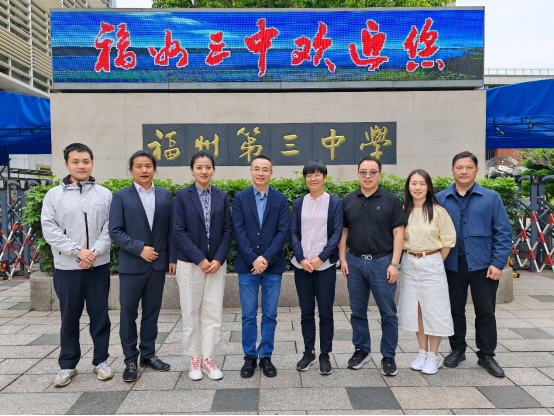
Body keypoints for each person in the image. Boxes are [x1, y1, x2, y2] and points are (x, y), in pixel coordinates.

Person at [41, 143, 113, 388]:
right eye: (75, 161)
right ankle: (68, 364)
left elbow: (111, 228)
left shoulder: (104, 194)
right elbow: (50, 230)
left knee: (100, 315)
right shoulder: (54, 196)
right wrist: (78, 251)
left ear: (92, 163)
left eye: (85, 161)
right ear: (66, 164)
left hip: (98, 266)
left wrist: (93, 253)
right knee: (69, 317)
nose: (81, 166)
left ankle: (101, 361)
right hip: (67, 268)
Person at [436, 152, 512, 378]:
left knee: (486, 312)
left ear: (476, 170)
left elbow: (503, 232)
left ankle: (486, 355)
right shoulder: (440, 199)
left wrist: (498, 263)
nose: (464, 171)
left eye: (469, 167)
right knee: (454, 310)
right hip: (452, 266)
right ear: (452, 170)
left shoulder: (491, 198)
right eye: (459, 167)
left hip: (483, 266)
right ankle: (457, 350)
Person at [109, 150, 177, 382]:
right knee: (128, 313)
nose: (144, 170)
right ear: (131, 170)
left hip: (157, 266)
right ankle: (130, 359)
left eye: (148, 166)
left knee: (152, 312)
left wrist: (172, 258)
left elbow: (172, 230)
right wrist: (139, 248)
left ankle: (148, 355)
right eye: (139, 166)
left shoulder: (166, 195)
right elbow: (115, 231)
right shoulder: (121, 196)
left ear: (154, 169)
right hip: (132, 266)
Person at [339, 156, 407, 377]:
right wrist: (343, 259)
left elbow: (399, 233)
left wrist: (395, 263)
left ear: (380, 174)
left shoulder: (391, 200)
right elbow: (344, 232)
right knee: (357, 311)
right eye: (363, 172)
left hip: (382, 263)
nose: (367, 176)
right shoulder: (348, 200)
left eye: (372, 172)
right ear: (358, 174)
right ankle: (362, 350)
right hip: (355, 262)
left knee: (388, 312)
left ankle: (388, 355)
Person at [174, 152, 233, 381]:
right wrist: (200, 259)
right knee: (190, 312)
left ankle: (208, 357)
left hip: (216, 265)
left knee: (213, 312)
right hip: (191, 264)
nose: (204, 171)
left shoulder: (221, 196)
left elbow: (227, 230)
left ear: (213, 169)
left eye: (208, 167)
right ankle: (193, 358)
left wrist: (218, 259)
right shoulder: (182, 196)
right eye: (199, 167)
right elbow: (179, 231)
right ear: (192, 170)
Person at [232, 155, 289, 379]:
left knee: (270, 314)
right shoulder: (241, 198)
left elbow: (283, 230)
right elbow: (238, 230)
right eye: (256, 169)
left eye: (265, 169)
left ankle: (266, 355)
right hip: (248, 267)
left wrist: (265, 259)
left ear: (271, 173)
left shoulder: (280, 198)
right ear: (251, 171)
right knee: (248, 315)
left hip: (272, 267)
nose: (261, 173)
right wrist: (253, 259)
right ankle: (249, 356)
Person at [398, 169, 456, 375]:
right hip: (409, 262)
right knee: (417, 310)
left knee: (434, 309)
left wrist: (435, 261)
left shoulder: (439, 211)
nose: (418, 187)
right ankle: (422, 352)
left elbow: (448, 240)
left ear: (429, 187)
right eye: (413, 183)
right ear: (408, 187)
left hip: (432, 261)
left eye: (422, 183)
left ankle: (434, 355)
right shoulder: (403, 210)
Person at [290, 160, 343, 376]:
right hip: (302, 266)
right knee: (306, 311)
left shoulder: (334, 203)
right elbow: (293, 232)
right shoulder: (298, 203)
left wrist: (321, 258)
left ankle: (325, 354)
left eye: (317, 174)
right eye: (309, 175)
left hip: (325, 266)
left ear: (324, 177)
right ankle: (309, 351)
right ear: (305, 178)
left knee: (326, 312)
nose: (313, 178)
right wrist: (302, 259)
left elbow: (337, 232)